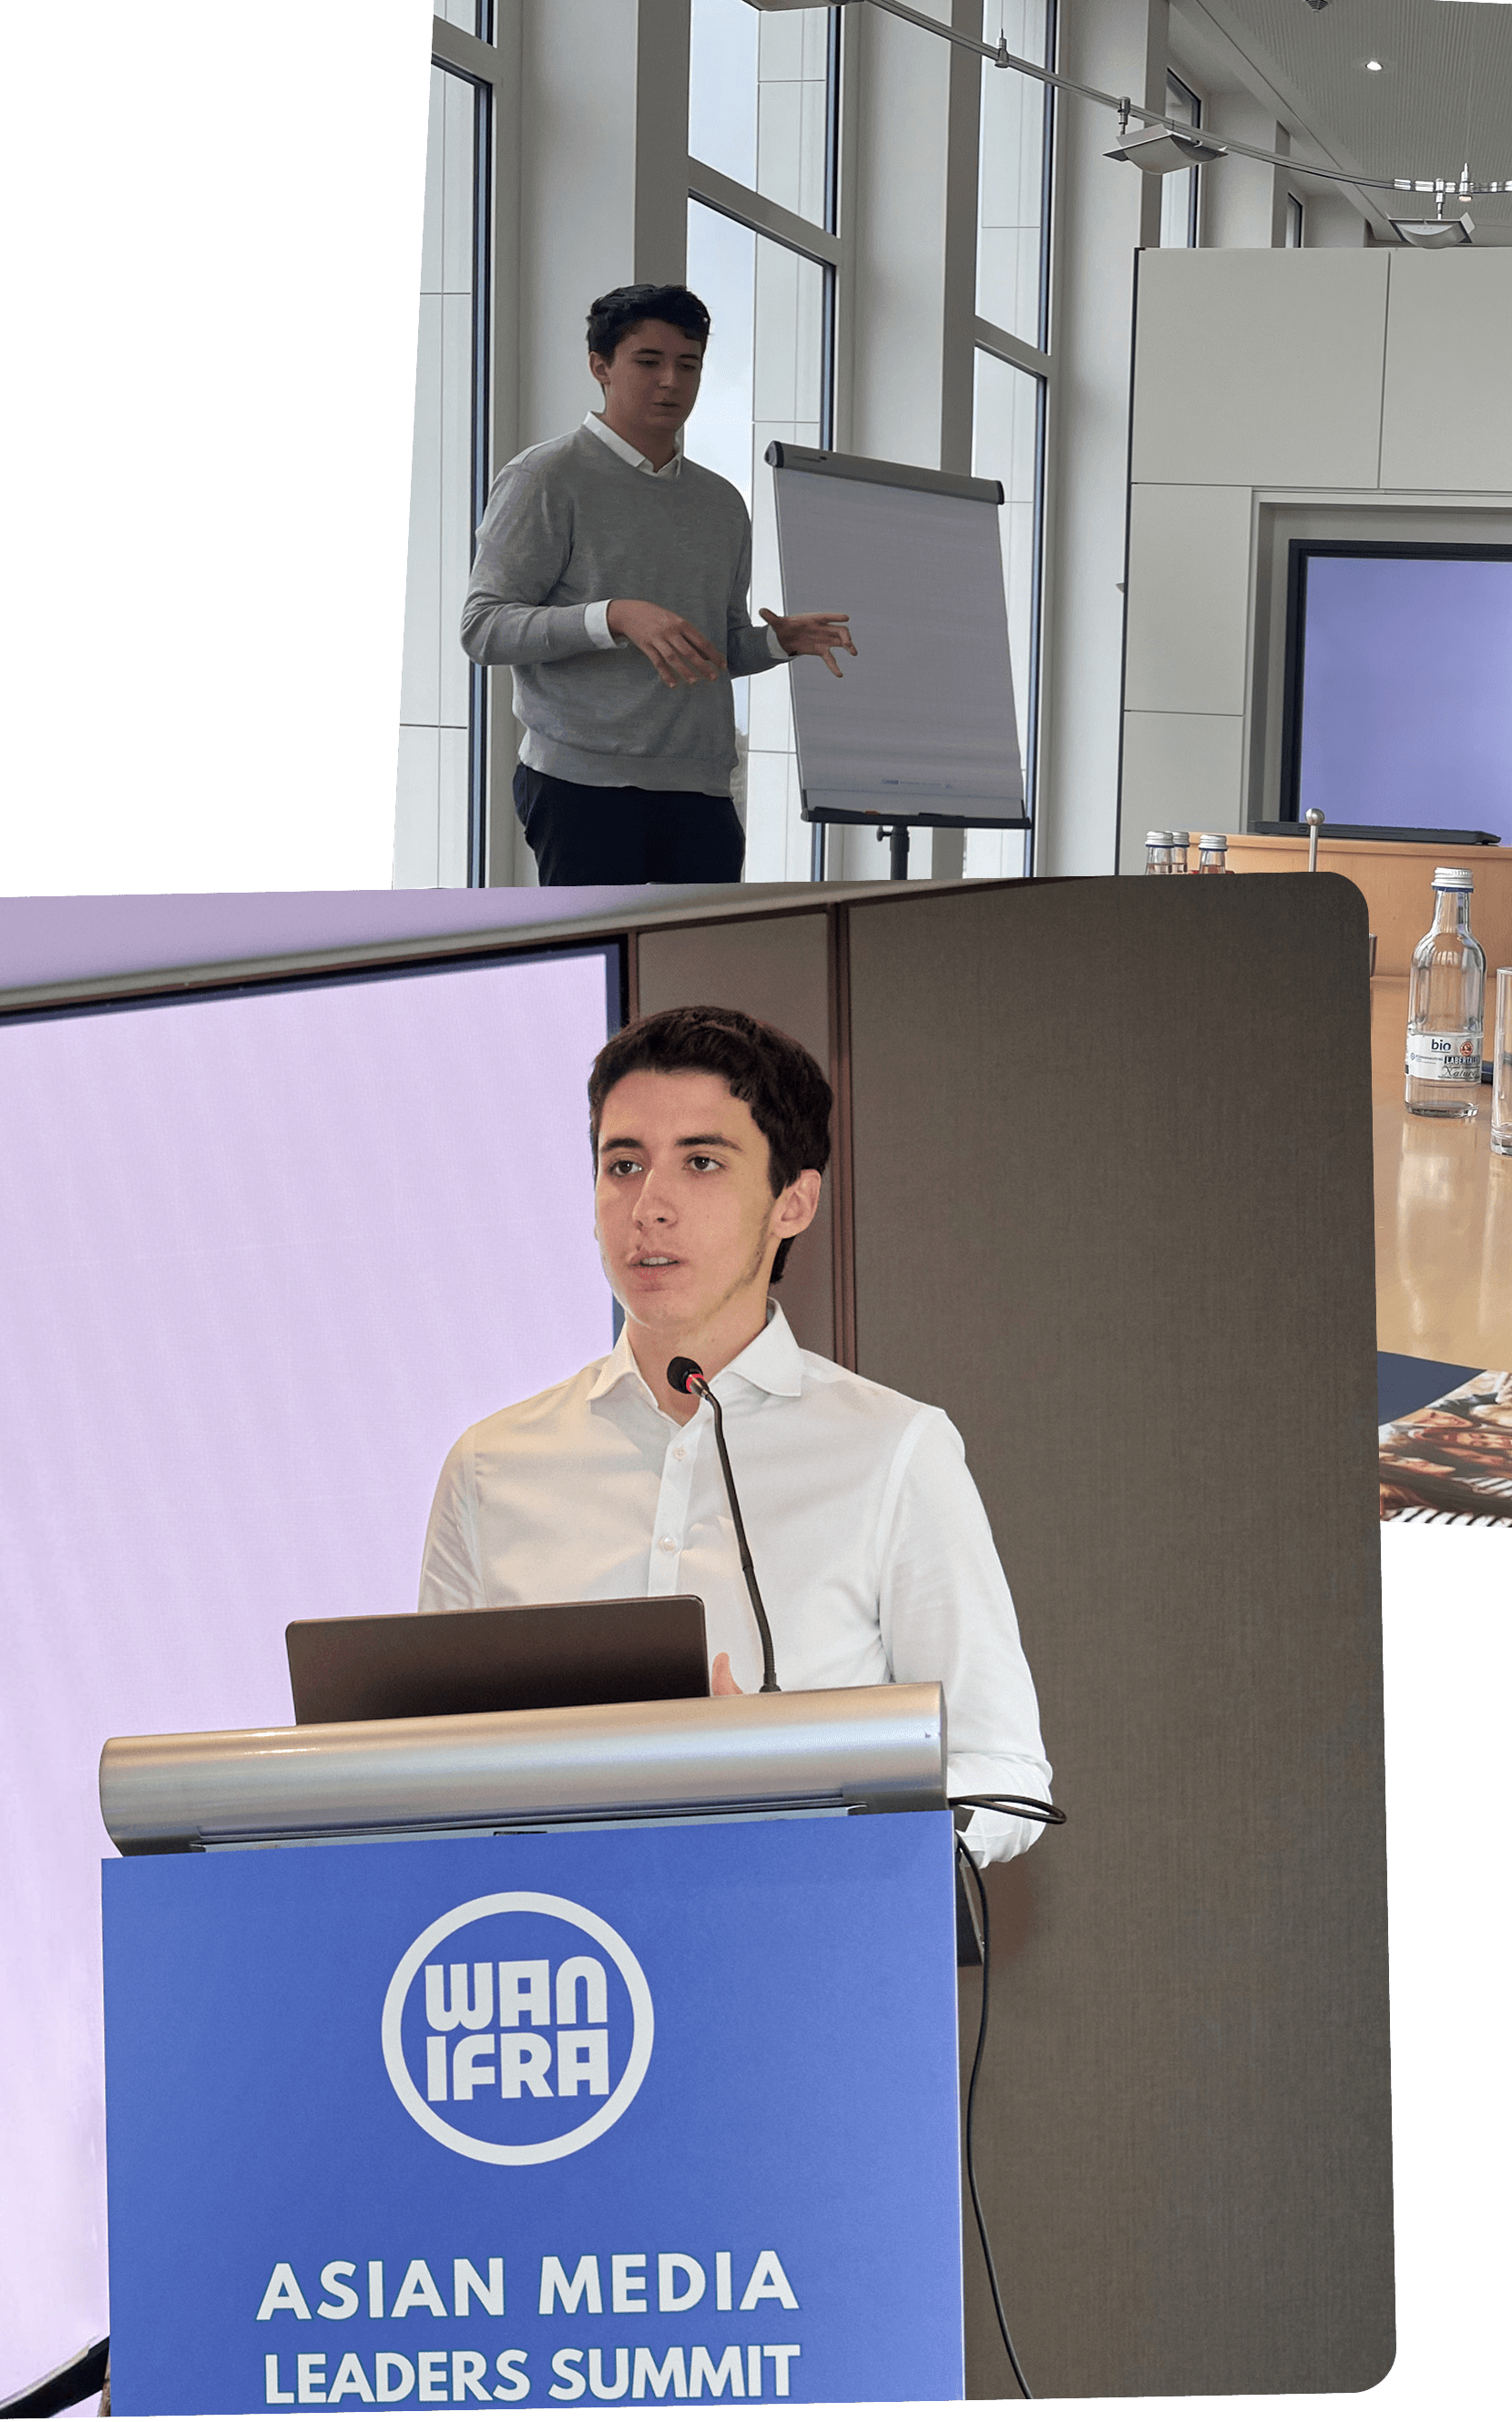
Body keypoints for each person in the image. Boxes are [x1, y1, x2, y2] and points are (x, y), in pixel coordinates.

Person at [416, 1005, 1052, 1863]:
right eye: (623, 1163)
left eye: (702, 1162)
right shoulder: (492, 1467)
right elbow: (418, 1774)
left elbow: (1002, 1776)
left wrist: (799, 1810)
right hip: (559, 1961)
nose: (649, 1205)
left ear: (794, 1200)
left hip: (800, 1959)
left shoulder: (894, 1450)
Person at [461, 284, 856, 884]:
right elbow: (483, 628)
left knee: (701, 971)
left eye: (688, 363)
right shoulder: (544, 478)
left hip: (700, 790)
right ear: (601, 367)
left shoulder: (721, 504)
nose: (671, 381)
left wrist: (779, 643)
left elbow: (713, 650)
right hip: (580, 788)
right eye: (649, 362)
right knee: (601, 971)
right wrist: (614, 614)